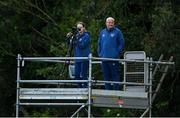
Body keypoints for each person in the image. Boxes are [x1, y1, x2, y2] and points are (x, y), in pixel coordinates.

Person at [97, 17, 124, 90]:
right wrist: (100, 54)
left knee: (115, 76)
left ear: (114, 23)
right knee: (106, 76)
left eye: (112, 22)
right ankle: (107, 92)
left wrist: (116, 53)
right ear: (106, 23)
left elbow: (121, 44)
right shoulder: (102, 32)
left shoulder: (118, 32)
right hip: (104, 58)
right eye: (109, 22)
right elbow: (99, 44)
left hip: (113, 59)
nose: (110, 24)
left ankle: (116, 92)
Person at [73, 22, 90, 88]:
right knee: (76, 75)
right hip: (77, 58)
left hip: (84, 58)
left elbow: (82, 45)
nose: (79, 29)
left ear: (84, 28)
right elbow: (71, 45)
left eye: (80, 27)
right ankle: (79, 88)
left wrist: (76, 40)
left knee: (83, 75)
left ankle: (85, 88)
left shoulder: (87, 36)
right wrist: (68, 38)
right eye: (78, 28)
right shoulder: (76, 36)